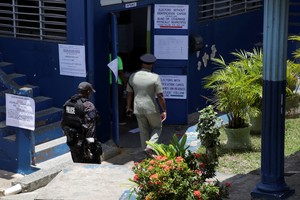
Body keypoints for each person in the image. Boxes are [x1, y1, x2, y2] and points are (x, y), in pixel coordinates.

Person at [126, 53, 167, 157]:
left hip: (137, 108)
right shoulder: (155, 77)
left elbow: (129, 93)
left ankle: (146, 152)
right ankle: (150, 146)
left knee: (143, 130)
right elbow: (160, 96)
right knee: (157, 127)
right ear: (152, 64)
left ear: (141, 63)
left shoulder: (132, 76)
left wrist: (128, 107)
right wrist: (164, 110)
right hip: (151, 108)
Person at [61, 81, 102, 163]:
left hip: (72, 141)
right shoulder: (88, 105)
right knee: (92, 168)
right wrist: (91, 146)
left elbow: (64, 121)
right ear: (88, 92)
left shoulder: (68, 103)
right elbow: (90, 128)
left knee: (77, 165)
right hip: (83, 143)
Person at [109, 54, 128, 125]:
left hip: (105, 84)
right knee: (120, 102)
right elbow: (120, 72)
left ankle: (110, 118)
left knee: (109, 102)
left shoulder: (102, 56)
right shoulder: (116, 58)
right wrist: (125, 82)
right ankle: (119, 120)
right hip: (116, 84)